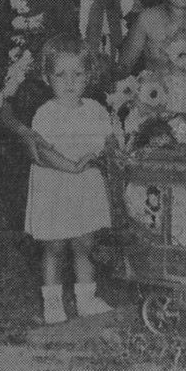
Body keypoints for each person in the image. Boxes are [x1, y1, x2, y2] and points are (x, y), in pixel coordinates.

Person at [24, 34, 114, 323]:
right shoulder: (46, 114)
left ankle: (85, 298)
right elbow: (44, 152)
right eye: (60, 74)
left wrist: (101, 156)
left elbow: (107, 143)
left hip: (85, 187)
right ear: (47, 77)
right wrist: (73, 166)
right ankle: (52, 302)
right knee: (54, 246)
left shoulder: (96, 111)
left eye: (77, 74)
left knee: (84, 243)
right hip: (55, 187)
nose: (69, 82)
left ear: (89, 76)